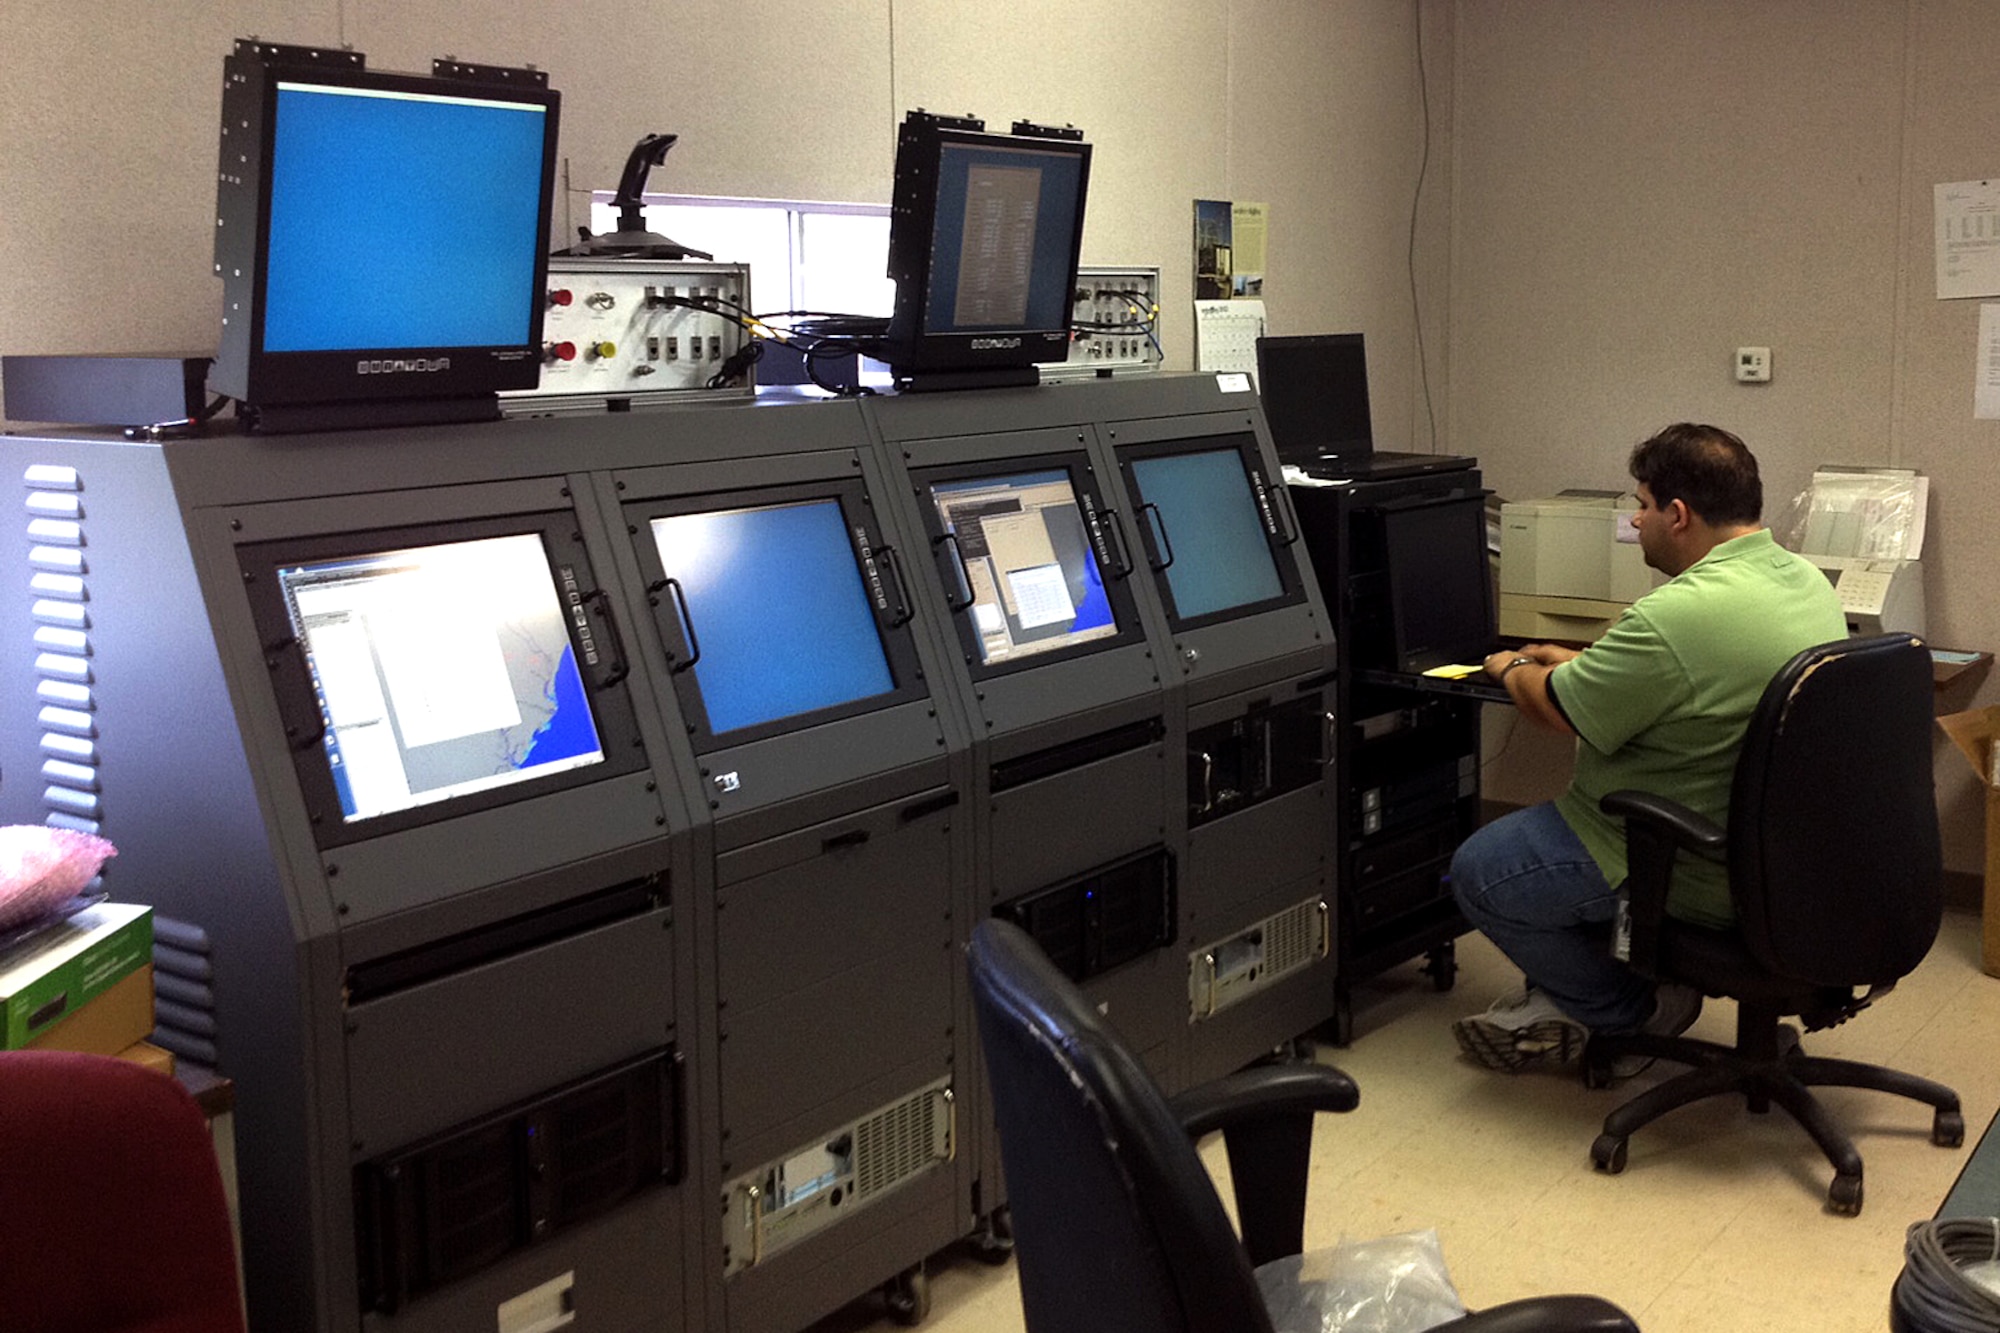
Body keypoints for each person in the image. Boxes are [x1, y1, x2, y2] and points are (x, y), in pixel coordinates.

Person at [1450, 422, 1847, 1072]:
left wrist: (1509, 667)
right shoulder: (1805, 582)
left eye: (1641, 505)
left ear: (1679, 513)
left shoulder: (1675, 616)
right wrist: (1579, 663)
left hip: (1676, 856)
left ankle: (1629, 1010)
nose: (1635, 522)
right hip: (1784, 858)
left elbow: (1553, 708)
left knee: (1481, 869)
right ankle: (1568, 994)